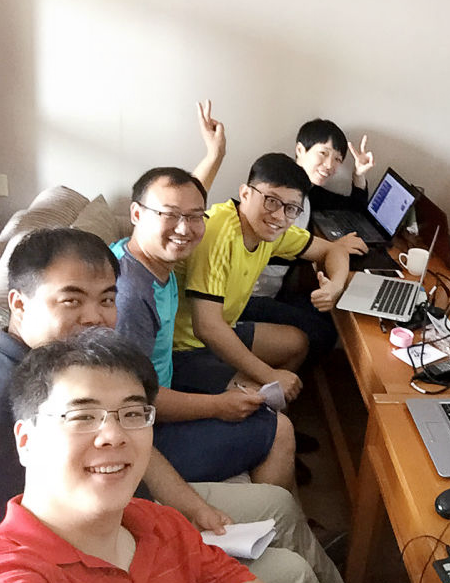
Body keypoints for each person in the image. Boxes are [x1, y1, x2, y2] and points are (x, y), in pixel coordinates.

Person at [0, 227, 342, 583]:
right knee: (291, 570)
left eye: (106, 300)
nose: (94, 318)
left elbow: (134, 448)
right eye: (72, 301)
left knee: (278, 504)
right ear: (19, 304)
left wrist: (193, 509)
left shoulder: (84, 362)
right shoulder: (10, 388)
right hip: (106, 540)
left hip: (138, 515)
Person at [0, 328, 260, 582]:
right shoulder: (16, 568)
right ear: (26, 441)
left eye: (132, 414)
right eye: (84, 417)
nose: (114, 435)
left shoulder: (162, 524)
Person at [111, 166, 295, 490]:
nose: (184, 228)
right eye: (170, 215)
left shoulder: (147, 261)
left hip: (164, 380)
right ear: (137, 214)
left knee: (260, 389)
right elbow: (132, 402)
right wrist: (217, 406)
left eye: (195, 216)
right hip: (141, 436)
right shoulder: (131, 298)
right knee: (280, 430)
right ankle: (275, 515)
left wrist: (215, 156)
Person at [171, 152, 349, 404]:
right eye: (271, 201)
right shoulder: (218, 234)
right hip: (184, 349)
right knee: (260, 395)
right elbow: (207, 327)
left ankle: (273, 414)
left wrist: (335, 286)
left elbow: (334, 250)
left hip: (223, 326)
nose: (279, 216)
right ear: (245, 193)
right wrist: (269, 375)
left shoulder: (270, 231)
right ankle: (272, 419)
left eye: (291, 208)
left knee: (297, 343)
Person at [244, 118, 375, 363]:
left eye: (338, 159)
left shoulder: (308, 191)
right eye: (323, 153)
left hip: (273, 291)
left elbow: (353, 210)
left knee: (330, 316)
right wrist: (331, 247)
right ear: (300, 150)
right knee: (324, 333)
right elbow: (273, 248)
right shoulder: (281, 189)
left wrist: (359, 175)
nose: (330, 165)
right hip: (250, 297)